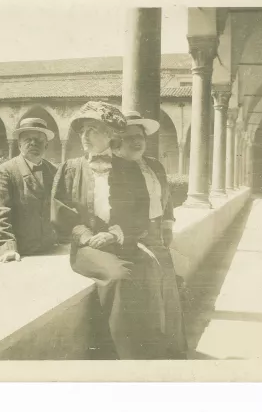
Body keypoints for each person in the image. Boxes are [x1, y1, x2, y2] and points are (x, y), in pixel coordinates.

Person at [51, 101, 168, 360]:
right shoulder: (70, 169)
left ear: (110, 135)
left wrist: (116, 233)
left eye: (92, 129)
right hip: (87, 247)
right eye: (82, 130)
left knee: (150, 271)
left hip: (120, 241)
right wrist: (85, 235)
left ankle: (149, 347)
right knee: (119, 277)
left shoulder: (127, 169)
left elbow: (139, 212)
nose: (84, 136)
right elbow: (61, 213)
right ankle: (122, 355)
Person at [113, 110, 187, 359]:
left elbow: (166, 200)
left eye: (140, 136)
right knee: (148, 296)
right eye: (129, 136)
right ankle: (149, 351)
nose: (136, 141)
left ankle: (172, 349)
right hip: (133, 240)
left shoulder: (154, 165)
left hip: (157, 235)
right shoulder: (116, 168)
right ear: (118, 140)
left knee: (168, 292)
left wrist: (167, 224)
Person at [0, 117, 57, 268]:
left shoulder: (54, 172)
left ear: (46, 144)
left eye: (39, 140)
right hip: (7, 256)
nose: (33, 143)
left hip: (42, 255)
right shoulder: (4, 172)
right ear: (19, 143)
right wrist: (7, 250)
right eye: (28, 139)